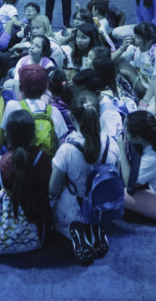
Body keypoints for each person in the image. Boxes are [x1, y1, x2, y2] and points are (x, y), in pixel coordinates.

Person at [0, 110, 54, 257]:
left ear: (7, 136)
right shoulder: (43, 159)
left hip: (2, 227)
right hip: (37, 232)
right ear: (33, 135)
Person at [48, 92, 120, 265]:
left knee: (54, 213)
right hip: (102, 209)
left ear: (72, 117)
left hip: (73, 210)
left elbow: (53, 189)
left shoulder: (66, 149)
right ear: (98, 115)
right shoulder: (112, 144)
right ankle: (96, 228)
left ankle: (73, 230)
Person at [2, 64, 70, 154]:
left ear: (21, 87)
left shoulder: (12, 106)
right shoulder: (54, 111)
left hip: (17, 160)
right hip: (45, 161)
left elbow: (4, 136)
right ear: (46, 87)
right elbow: (59, 146)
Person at [112, 21, 156, 115]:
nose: (133, 38)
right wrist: (122, 48)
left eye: (137, 37)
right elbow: (110, 61)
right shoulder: (134, 48)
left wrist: (144, 102)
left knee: (144, 114)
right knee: (118, 65)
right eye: (134, 35)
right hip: (143, 86)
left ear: (149, 42)